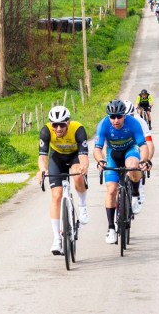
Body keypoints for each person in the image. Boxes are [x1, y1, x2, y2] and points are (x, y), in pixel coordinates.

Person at [92, 100, 151, 244]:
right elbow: (97, 148)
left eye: (119, 116)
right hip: (113, 153)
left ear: (124, 116)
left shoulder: (133, 123)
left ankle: (136, 194)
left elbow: (143, 146)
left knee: (132, 165)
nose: (116, 120)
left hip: (131, 150)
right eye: (112, 117)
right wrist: (100, 160)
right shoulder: (103, 124)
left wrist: (144, 160)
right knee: (111, 189)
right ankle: (111, 228)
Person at [37, 106, 90, 255]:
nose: (58, 128)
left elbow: (83, 156)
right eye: (55, 124)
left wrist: (84, 167)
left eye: (62, 124)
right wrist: (42, 170)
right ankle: (57, 239)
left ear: (68, 122)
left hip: (74, 157)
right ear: (50, 124)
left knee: (77, 175)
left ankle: (82, 205)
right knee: (56, 195)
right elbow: (42, 156)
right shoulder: (46, 131)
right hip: (57, 158)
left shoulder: (78, 129)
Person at [123, 100, 154, 209]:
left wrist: (147, 160)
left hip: (137, 146)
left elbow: (149, 143)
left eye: (129, 116)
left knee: (137, 165)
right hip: (121, 147)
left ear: (133, 114)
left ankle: (139, 188)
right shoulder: (115, 122)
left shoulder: (140, 122)